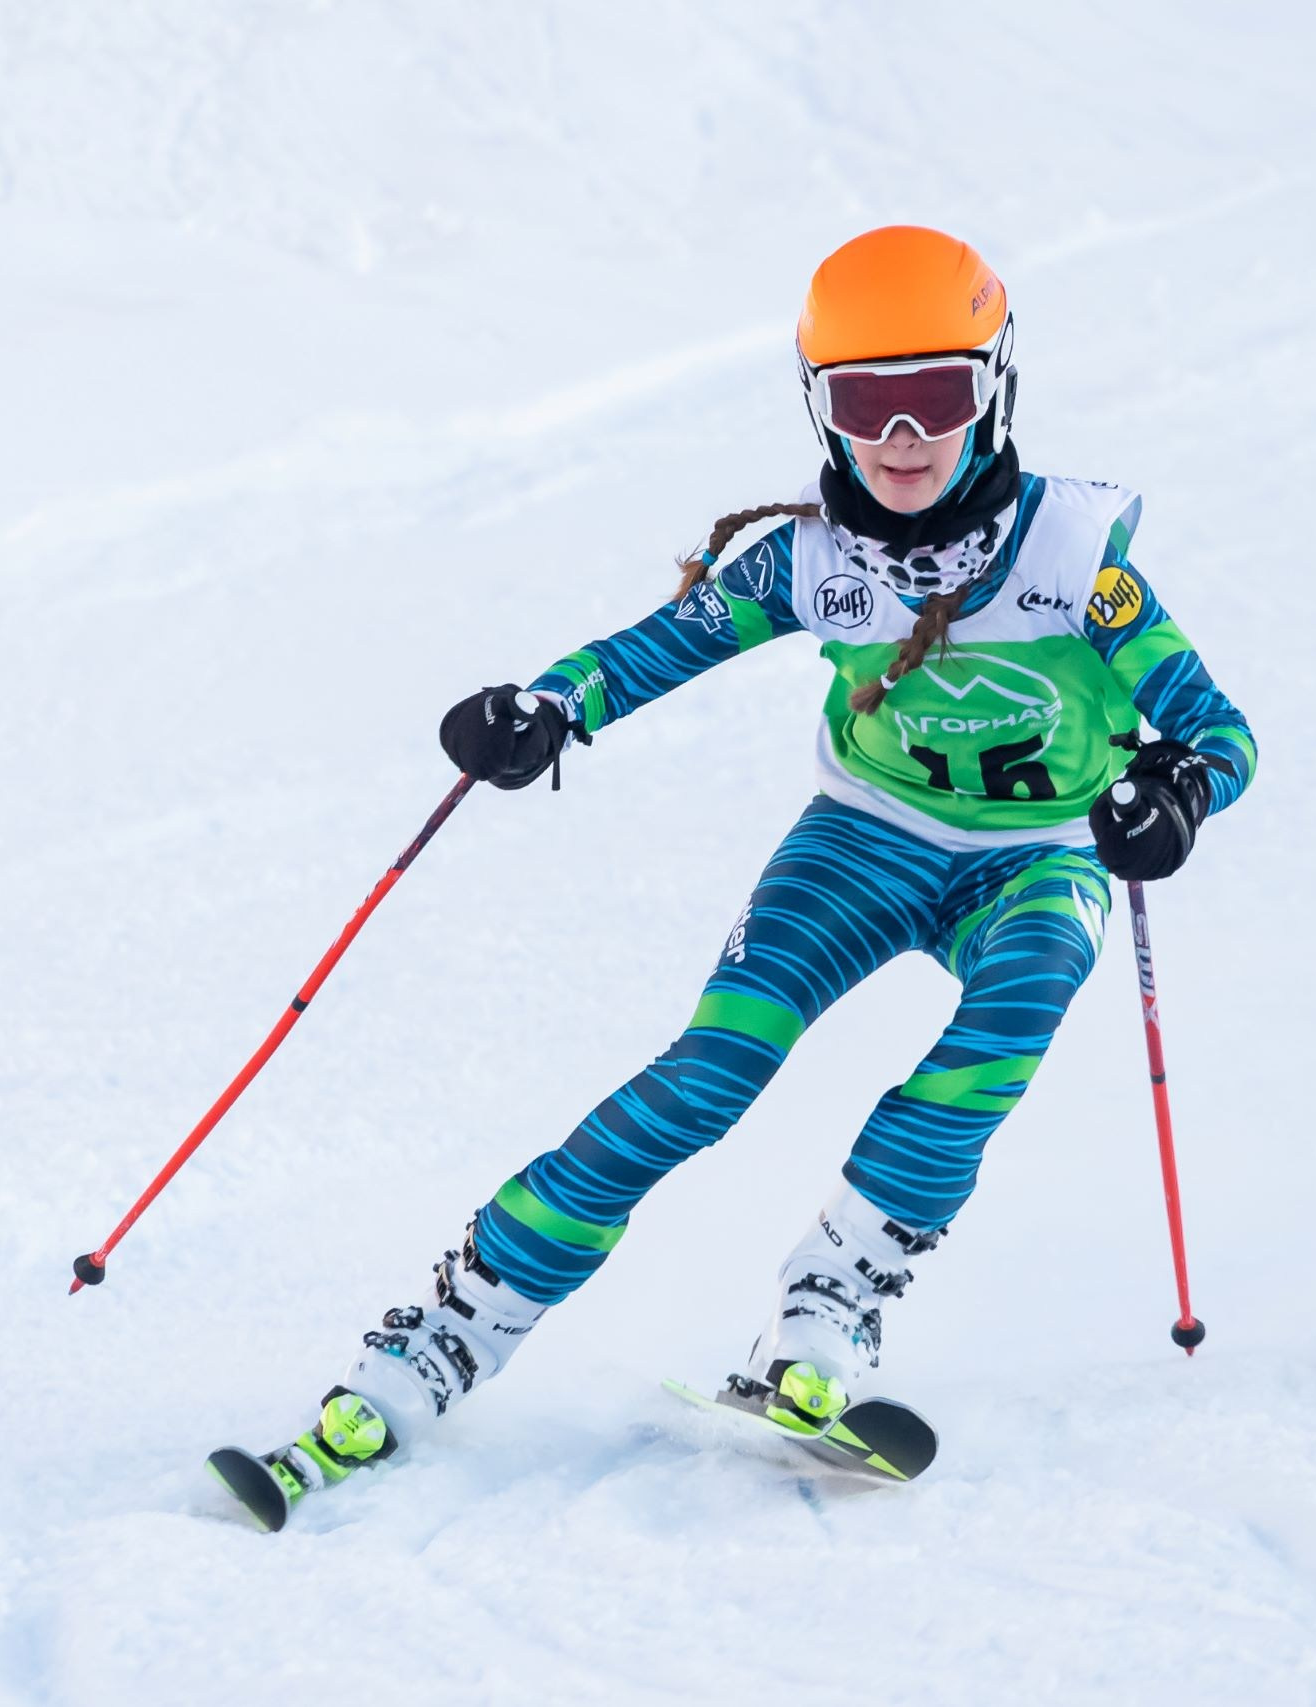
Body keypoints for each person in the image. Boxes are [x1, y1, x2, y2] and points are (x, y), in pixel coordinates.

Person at [228, 225, 1256, 1521]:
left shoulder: (1074, 560)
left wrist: (1175, 793)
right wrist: (547, 708)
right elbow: (656, 648)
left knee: (1010, 1017)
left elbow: (1220, 731)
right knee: (711, 1072)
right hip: (867, 841)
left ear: (995, 388)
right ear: (818, 407)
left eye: (936, 396)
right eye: (864, 406)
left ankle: (833, 1302)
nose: (901, 439)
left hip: (1037, 858)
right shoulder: (811, 560)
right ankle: (450, 1331)